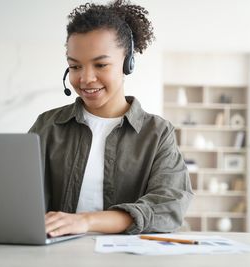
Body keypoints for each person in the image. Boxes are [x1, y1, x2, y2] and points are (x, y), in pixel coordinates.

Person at [29, 0, 193, 237]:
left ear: (128, 62)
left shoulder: (157, 133)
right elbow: (19, 196)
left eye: (101, 64)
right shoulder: (47, 126)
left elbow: (169, 206)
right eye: (75, 67)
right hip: (56, 256)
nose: (86, 79)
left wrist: (86, 221)